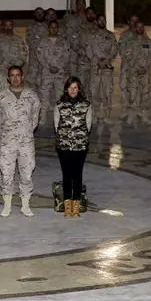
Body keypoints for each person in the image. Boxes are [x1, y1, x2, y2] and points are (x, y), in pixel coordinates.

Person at [0, 66, 41, 218]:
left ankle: (25, 205)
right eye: (12, 76)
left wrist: (25, 132)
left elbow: (35, 117)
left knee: (26, 173)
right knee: (6, 174)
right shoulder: (1, 96)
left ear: (22, 76)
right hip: (8, 142)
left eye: (18, 75)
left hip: (26, 142)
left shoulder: (31, 95)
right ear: (8, 78)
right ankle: (7, 205)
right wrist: (4, 136)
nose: (15, 78)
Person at [54, 77, 92, 218]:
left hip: (80, 146)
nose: (73, 90)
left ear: (79, 89)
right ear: (66, 89)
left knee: (77, 175)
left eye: (75, 87)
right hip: (63, 146)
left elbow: (88, 125)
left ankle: (76, 204)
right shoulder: (59, 105)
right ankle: (67, 204)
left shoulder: (86, 105)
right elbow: (56, 125)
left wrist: (79, 138)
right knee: (66, 175)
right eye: (70, 87)